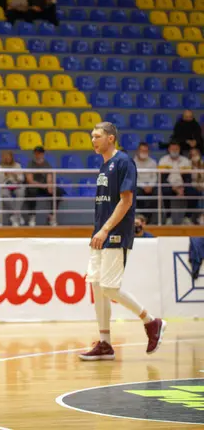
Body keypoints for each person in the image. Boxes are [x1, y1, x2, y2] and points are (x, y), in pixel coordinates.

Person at [79, 122, 165, 361]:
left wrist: (105, 230)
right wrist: (98, 230)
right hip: (100, 232)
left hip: (114, 233)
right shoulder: (105, 166)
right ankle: (105, 343)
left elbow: (126, 202)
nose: (93, 140)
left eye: (97, 136)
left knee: (109, 287)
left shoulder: (124, 162)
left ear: (111, 138)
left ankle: (151, 322)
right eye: (91, 136)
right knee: (97, 285)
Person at [23, 146, 64, 227]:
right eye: (37, 153)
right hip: (34, 186)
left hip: (44, 186)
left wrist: (49, 186)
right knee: (31, 191)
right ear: (34, 154)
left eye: (40, 153)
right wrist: (43, 185)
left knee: (58, 192)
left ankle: (51, 216)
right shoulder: (30, 164)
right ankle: (32, 216)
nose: (39, 155)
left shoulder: (46, 164)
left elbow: (49, 177)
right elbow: (30, 180)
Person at [158, 141, 191, 225]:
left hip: (183, 186)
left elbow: (188, 178)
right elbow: (162, 178)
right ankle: (169, 217)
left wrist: (182, 188)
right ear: (169, 149)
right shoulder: (163, 160)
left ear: (179, 149)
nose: (174, 150)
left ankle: (187, 217)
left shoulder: (186, 161)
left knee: (194, 192)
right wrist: (174, 188)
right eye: (172, 149)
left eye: (176, 149)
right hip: (170, 185)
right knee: (165, 190)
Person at [0, 151, 25, 226]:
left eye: (8, 156)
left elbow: (22, 179)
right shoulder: (0, 167)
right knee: (4, 194)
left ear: (12, 157)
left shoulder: (17, 165)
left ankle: (14, 217)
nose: (7, 158)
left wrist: (15, 175)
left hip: (16, 184)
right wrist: (5, 175)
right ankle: (17, 216)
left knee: (21, 191)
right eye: (5, 157)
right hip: (5, 186)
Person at [133, 142, 158, 224]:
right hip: (138, 186)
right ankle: (140, 218)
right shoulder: (132, 163)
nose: (144, 153)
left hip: (151, 186)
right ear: (137, 151)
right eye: (142, 150)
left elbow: (154, 177)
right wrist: (144, 186)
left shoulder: (153, 162)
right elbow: (134, 178)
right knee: (137, 192)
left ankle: (149, 219)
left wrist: (150, 186)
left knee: (157, 193)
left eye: (146, 151)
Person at [186, 148, 204, 224]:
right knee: (198, 193)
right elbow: (188, 179)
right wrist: (197, 186)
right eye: (192, 155)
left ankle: (201, 216)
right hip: (192, 186)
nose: (194, 156)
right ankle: (199, 217)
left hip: (202, 186)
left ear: (199, 155)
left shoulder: (203, 164)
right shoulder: (187, 165)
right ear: (190, 156)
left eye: (196, 154)